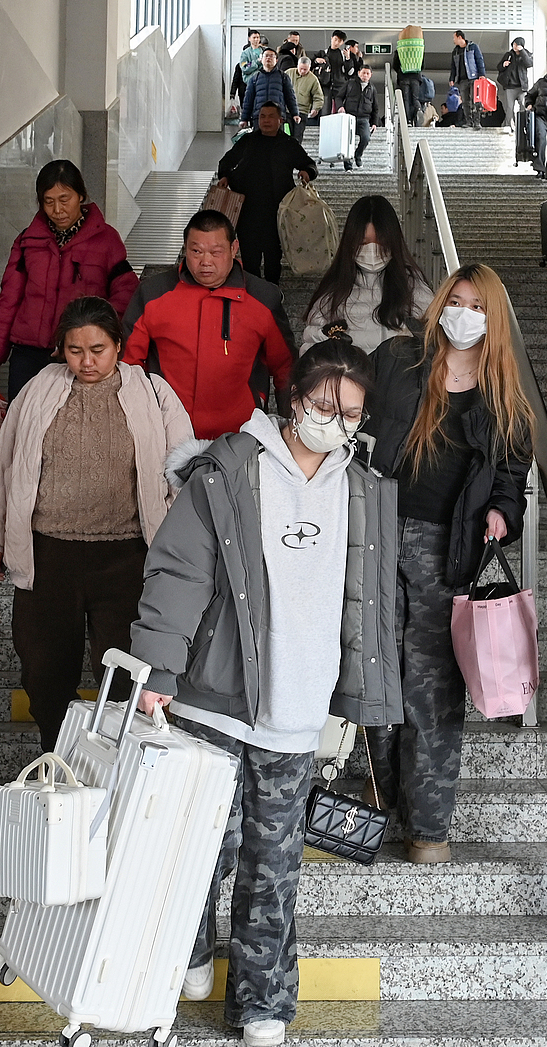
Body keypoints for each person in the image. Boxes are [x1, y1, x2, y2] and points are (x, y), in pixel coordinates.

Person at [130, 339, 401, 1047]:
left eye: (349, 412)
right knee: (198, 852)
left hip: (297, 711)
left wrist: (358, 699)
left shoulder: (362, 487)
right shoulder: (227, 471)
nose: (335, 423)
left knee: (272, 867)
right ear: (292, 399)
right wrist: (158, 671)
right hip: (214, 700)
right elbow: (178, 572)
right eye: (321, 406)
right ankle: (188, 951)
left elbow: (369, 602)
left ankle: (262, 1003)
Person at [362, 265, 534, 863]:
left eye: (477, 306)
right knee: (373, 678)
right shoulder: (397, 363)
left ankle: (428, 826)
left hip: (447, 548)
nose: (463, 314)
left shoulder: (504, 395)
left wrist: (502, 515)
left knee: (433, 689)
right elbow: (357, 429)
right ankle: (377, 808)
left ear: (494, 319)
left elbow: (512, 474)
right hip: (376, 537)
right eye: (455, 301)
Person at [0, 297, 194, 750]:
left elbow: (183, 473)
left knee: (127, 675)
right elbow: (3, 465)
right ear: (61, 349)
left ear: (119, 345)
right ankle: (59, 760)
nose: (87, 361)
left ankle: (115, 764)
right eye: (75, 350)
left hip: (128, 556)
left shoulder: (153, 392)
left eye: (98, 349)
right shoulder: (39, 388)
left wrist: (181, 557)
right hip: (48, 555)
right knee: (44, 671)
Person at [122, 209, 296, 440]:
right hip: (165, 424)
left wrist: (291, 426)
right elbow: (127, 362)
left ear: (234, 248)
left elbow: (285, 367)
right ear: (185, 248)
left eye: (216, 252)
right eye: (196, 251)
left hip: (241, 430)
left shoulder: (263, 298)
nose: (205, 262)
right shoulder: (153, 292)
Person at [0, 159, 137, 395]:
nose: (57, 210)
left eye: (64, 199)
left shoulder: (106, 240)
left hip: (79, 355)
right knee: (25, 425)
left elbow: (126, 295)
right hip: (27, 355)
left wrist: (92, 337)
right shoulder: (27, 241)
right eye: (48, 202)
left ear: (81, 195)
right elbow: (10, 298)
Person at [301, 195, 431, 354]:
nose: (372, 250)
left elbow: (435, 350)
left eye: (381, 243)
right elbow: (310, 355)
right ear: (350, 243)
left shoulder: (416, 291)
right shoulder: (331, 296)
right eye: (363, 243)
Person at [215, 102, 318, 285]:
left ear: (280, 120)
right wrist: (225, 177)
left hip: (276, 210)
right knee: (249, 256)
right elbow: (227, 161)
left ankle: (272, 290)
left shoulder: (288, 144)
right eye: (262, 116)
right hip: (247, 209)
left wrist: (307, 173)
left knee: (273, 255)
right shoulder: (248, 141)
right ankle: (252, 294)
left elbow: (309, 164)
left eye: (271, 116)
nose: (266, 120)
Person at [335, 63, 383, 170]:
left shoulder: (372, 89)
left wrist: (374, 123)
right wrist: (340, 107)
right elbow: (338, 97)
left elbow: (375, 108)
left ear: (370, 75)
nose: (365, 75)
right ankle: (348, 165)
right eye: (363, 73)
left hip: (364, 118)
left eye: (367, 73)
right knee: (347, 141)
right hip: (349, 117)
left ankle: (358, 155)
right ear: (358, 73)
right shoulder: (350, 84)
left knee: (366, 138)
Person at [242, 49, 298, 134]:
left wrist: (295, 113)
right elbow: (248, 100)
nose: (268, 58)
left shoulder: (283, 77)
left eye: (271, 56)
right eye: (266, 56)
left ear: (276, 60)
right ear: (261, 59)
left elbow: (290, 97)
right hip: (259, 117)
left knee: (277, 144)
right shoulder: (254, 78)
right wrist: (244, 119)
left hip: (278, 117)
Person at [449, 30, 486, 129]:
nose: (453, 40)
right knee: (465, 101)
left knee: (476, 100)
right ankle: (469, 122)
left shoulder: (472, 47)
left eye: (454, 37)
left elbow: (479, 60)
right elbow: (453, 67)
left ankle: (477, 122)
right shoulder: (455, 51)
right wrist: (452, 78)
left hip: (474, 78)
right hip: (462, 80)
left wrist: (482, 74)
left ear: (460, 37)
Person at [497, 37, 533, 132]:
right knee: (509, 107)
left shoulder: (526, 54)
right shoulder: (508, 55)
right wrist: (503, 65)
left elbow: (529, 63)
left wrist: (522, 52)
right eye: (514, 44)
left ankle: (523, 125)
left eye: (517, 44)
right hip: (510, 85)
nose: (515, 46)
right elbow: (499, 67)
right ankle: (509, 126)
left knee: (523, 104)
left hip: (522, 86)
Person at [396, 24, 427, 125]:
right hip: (415, 78)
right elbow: (422, 65)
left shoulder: (399, 50)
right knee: (415, 98)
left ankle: (408, 120)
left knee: (406, 99)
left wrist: (402, 70)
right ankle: (418, 109)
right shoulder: (418, 50)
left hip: (404, 78)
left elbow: (395, 65)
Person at [288, 55, 324, 124]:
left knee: (298, 134)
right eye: (301, 68)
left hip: (302, 111)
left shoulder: (313, 79)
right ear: (297, 65)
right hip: (288, 110)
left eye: (305, 69)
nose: (302, 71)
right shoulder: (289, 73)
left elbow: (318, 96)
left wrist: (315, 108)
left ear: (309, 68)